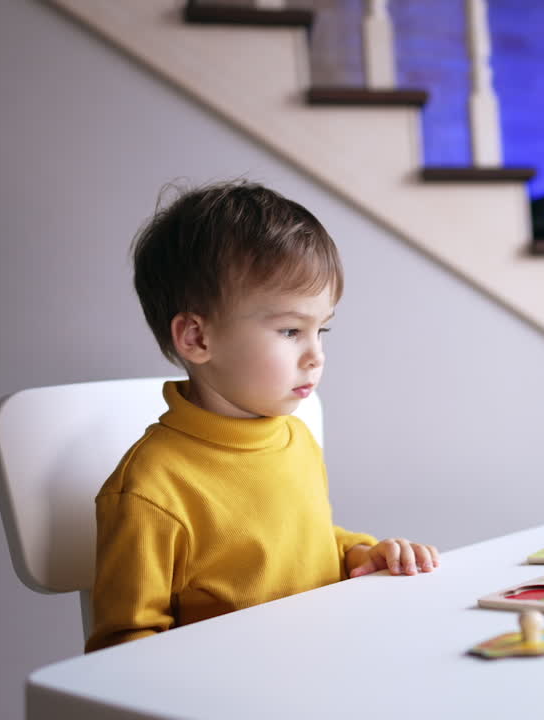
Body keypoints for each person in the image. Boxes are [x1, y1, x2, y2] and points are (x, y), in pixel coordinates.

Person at [86, 180, 439, 652]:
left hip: (323, 666)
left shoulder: (295, 437)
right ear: (196, 338)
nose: (316, 355)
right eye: (291, 330)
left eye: (322, 329)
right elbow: (122, 651)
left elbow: (296, 545)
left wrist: (358, 551)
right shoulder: (151, 489)